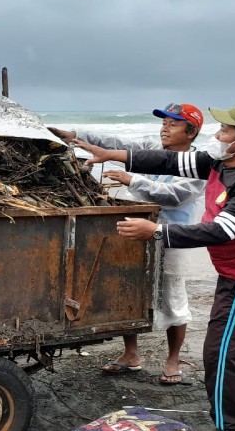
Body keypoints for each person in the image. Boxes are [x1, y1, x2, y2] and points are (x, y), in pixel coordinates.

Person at [76, 99, 235, 431]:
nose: (218, 133)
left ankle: (233, 429)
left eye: (225, 129)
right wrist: (113, 155)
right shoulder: (221, 161)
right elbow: (168, 161)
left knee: (222, 351)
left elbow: (223, 230)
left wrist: (156, 231)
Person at [49, 103, 206, 385]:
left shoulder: (198, 164)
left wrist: (131, 180)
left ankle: (172, 360)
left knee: (173, 297)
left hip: (171, 236)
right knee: (128, 288)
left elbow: (174, 196)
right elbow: (117, 143)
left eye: (173, 124)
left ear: (191, 132)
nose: (165, 129)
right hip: (135, 229)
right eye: (163, 123)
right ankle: (131, 354)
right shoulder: (152, 148)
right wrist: (75, 135)